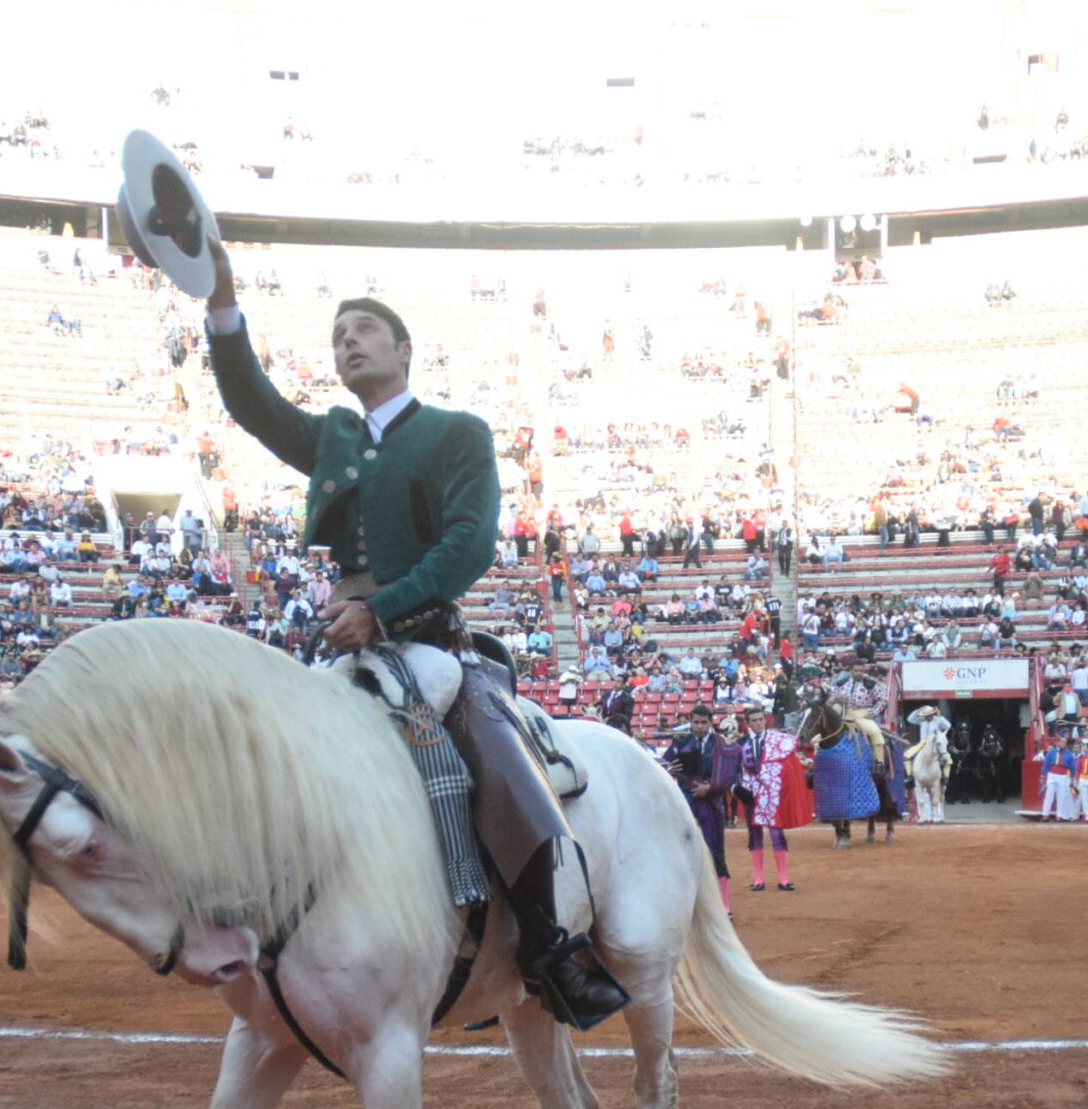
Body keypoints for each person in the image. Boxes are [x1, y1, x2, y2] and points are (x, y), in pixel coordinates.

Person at [202, 242, 626, 1028]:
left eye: (364, 329)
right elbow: (251, 403)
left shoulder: (456, 434)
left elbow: (469, 544)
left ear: (403, 351)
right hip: (348, 646)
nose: (348, 342)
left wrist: (384, 609)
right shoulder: (333, 436)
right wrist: (223, 300)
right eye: (338, 336)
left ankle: (546, 940)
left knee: (489, 754)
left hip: (428, 642)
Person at [665, 704, 743, 915]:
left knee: (716, 850)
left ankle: (723, 905)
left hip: (710, 803)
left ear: (711, 722)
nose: (699, 727)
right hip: (687, 802)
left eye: (703, 723)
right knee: (684, 850)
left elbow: (730, 775)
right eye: (695, 722)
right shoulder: (681, 742)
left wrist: (711, 788)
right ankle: (689, 903)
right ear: (690, 721)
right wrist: (669, 768)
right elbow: (664, 764)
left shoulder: (722, 744)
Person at [743, 712, 810, 891]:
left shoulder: (776, 739)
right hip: (751, 792)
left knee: (776, 833)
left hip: (771, 792)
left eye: (760, 720)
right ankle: (758, 879)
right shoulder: (742, 743)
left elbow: (789, 753)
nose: (758, 723)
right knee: (754, 833)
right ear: (748, 723)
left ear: (765, 720)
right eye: (754, 721)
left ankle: (783, 879)